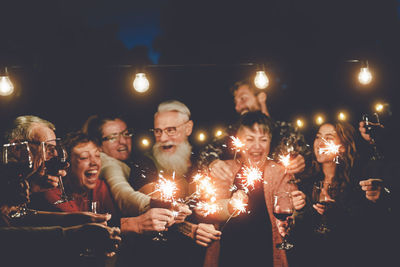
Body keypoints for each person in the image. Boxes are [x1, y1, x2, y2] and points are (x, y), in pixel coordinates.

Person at [1, 115, 121, 267]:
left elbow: (16, 216)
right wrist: (75, 235)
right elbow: (7, 241)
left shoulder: (15, 181)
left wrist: (77, 219)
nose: (56, 155)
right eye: (48, 148)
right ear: (17, 148)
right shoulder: (6, 180)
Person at [207, 111, 305, 267]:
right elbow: (209, 210)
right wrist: (230, 204)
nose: (257, 146)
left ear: (270, 142)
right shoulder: (224, 169)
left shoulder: (279, 172)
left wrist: (298, 209)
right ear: (239, 142)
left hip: (265, 256)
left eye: (263, 140)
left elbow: (291, 219)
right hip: (228, 255)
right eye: (250, 139)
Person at [289, 121, 392, 267]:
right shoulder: (306, 182)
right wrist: (299, 211)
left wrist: (338, 214)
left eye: (329, 138)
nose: (320, 143)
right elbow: (299, 234)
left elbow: (368, 233)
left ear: (342, 148)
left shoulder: (357, 182)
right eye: (318, 137)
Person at [198, 79, 309, 188]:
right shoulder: (232, 133)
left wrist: (304, 163)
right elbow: (204, 155)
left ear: (261, 97)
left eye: (243, 99)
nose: (238, 107)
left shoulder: (285, 131)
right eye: (236, 102)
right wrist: (212, 163)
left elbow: (314, 164)